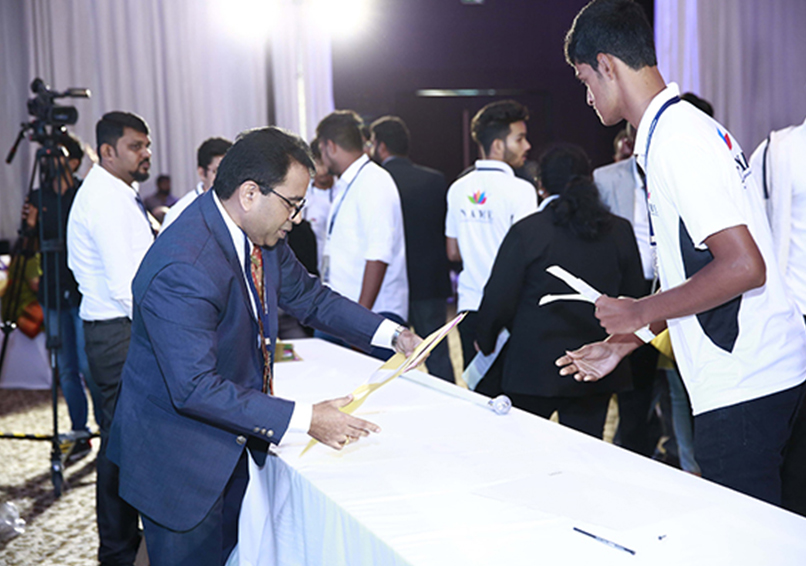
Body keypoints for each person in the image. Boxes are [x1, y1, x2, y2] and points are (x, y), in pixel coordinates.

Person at [106, 127, 421, 566]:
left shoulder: (260, 236)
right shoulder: (185, 263)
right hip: (180, 459)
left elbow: (311, 298)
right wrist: (308, 419)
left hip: (232, 434)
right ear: (250, 193)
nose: (297, 218)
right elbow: (194, 387)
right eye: (293, 203)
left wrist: (392, 335)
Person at [558, 0, 806, 506]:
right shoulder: (678, 130)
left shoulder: (677, 139)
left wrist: (638, 310)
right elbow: (692, 271)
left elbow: (744, 266)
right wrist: (625, 341)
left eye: (585, 81)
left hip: (743, 385)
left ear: (606, 65)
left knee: (746, 536)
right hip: (760, 374)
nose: (587, 98)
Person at [475, 144, 643, 437]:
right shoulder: (619, 230)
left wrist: (485, 338)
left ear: (541, 185)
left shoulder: (528, 231)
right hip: (593, 367)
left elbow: (499, 297)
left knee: (524, 449)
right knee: (585, 453)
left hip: (532, 366)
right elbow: (635, 296)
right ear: (589, 180)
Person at [67, 111, 155, 565]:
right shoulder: (104, 198)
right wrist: (166, 331)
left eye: (147, 145)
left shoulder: (117, 192)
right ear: (107, 151)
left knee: (126, 440)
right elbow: (126, 287)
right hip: (117, 333)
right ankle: (117, 549)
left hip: (120, 330)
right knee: (120, 444)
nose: (146, 153)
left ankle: (123, 540)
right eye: (136, 146)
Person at [23, 133, 102, 458]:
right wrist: (30, 226)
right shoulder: (37, 196)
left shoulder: (86, 193)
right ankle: (80, 432)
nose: (48, 159)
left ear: (73, 161)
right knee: (66, 368)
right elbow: (26, 246)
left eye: (57, 154)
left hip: (83, 292)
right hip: (52, 292)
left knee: (89, 366)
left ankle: (108, 430)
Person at [445, 99, 538, 369]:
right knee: (513, 391)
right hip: (512, 311)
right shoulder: (521, 190)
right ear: (497, 145)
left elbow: (453, 252)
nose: (527, 146)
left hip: (469, 308)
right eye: (519, 139)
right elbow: (529, 256)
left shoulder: (457, 188)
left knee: (476, 389)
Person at [315, 110, 409, 360]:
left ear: (329, 146)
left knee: (372, 384)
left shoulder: (374, 181)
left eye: (321, 150)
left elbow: (378, 255)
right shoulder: (349, 183)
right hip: (343, 312)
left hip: (373, 316)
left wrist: (360, 325)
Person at [750, 116, 806, 516]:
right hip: (793, 318)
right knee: (793, 453)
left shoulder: (776, 151)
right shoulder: (775, 151)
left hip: (791, 316)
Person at [370, 115, 454, 382]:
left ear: (381, 146)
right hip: (430, 281)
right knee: (438, 356)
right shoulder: (435, 180)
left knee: (390, 360)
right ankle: (450, 403)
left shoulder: (376, 182)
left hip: (391, 285)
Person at [161, 137, 233, 231]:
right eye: (217, 171)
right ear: (202, 173)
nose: (226, 177)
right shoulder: (181, 211)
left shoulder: (240, 205)